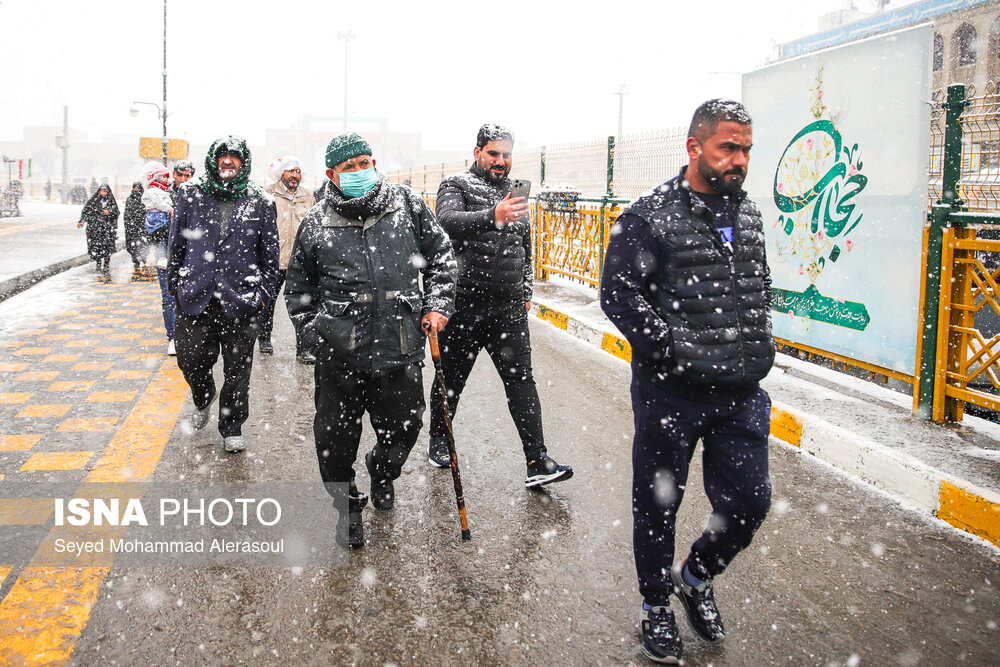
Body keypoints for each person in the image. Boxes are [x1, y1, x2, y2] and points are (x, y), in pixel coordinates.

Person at [600, 99, 774, 664]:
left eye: (746, 148)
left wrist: (752, 344)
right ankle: (656, 606)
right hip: (670, 391)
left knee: (750, 502)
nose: (739, 159)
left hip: (741, 392)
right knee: (658, 506)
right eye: (728, 147)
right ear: (694, 147)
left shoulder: (747, 214)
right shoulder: (649, 215)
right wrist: (672, 349)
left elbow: (756, 285)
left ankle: (695, 576)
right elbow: (618, 295)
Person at [284, 131, 456, 548]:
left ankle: (383, 469)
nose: (361, 172)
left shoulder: (407, 205)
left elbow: (441, 256)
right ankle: (347, 506)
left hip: (400, 345)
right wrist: (315, 335)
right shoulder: (315, 221)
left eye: (366, 162)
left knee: (406, 427)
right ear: (331, 174)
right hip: (339, 353)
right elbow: (298, 289)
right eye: (350, 167)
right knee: (334, 443)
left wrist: (437, 304)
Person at [428, 123, 572, 488]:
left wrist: (526, 291)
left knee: (521, 380)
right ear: (477, 152)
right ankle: (439, 440)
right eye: (493, 153)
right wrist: (493, 215)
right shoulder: (456, 185)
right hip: (464, 304)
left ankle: (537, 461)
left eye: (506, 155)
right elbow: (446, 222)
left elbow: (525, 246)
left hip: (507, 307)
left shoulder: (515, 192)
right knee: (452, 381)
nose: (501, 161)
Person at [167, 136, 280, 454]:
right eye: (222, 155)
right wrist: (175, 284)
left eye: (235, 156)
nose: (228, 160)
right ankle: (203, 395)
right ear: (213, 160)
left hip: (241, 300)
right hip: (196, 296)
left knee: (237, 370)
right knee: (190, 360)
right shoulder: (191, 193)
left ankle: (232, 426)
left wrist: (263, 295)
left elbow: (270, 255)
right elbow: (177, 244)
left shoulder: (261, 201)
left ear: (244, 162)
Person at [262, 156, 315, 363]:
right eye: (290, 171)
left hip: (299, 263)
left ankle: (303, 348)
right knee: (267, 303)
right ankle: (264, 338)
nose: (294, 175)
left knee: (303, 306)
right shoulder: (268, 195)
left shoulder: (308, 197)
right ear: (281, 174)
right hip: (274, 260)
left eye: (297, 171)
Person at [142, 162, 177, 355]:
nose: (168, 180)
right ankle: (172, 336)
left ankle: (179, 335)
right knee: (168, 294)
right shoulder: (155, 193)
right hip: (164, 240)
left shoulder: (172, 192)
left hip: (181, 248)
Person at [77, 183, 119, 281]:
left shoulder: (111, 201)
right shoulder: (94, 201)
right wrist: (82, 221)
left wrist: (109, 213)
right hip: (95, 229)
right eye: (102, 191)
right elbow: (86, 211)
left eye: (105, 191)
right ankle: (98, 262)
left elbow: (116, 213)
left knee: (107, 247)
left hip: (107, 229)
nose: (103, 193)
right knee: (96, 246)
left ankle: (106, 264)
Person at [123, 181, 149, 280]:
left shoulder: (144, 198)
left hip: (143, 226)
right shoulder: (130, 199)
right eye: (135, 187)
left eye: (138, 187)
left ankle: (143, 258)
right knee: (134, 245)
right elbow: (127, 213)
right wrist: (129, 223)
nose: (136, 189)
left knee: (144, 243)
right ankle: (136, 261)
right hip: (133, 227)